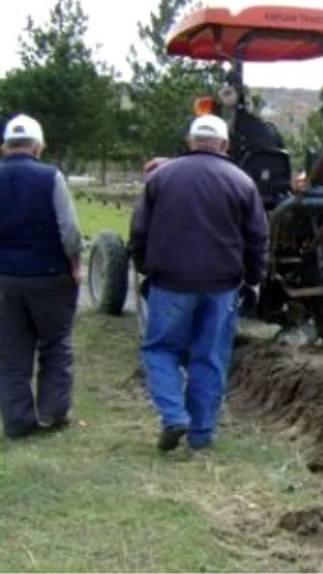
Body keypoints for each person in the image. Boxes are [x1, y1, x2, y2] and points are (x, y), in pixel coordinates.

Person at [129, 114, 268, 452]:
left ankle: (174, 415)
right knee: (210, 357)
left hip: (170, 282)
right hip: (221, 286)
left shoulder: (161, 177)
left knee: (160, 349)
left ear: (190, 141)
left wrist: (146, 267)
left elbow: (139, 231)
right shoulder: (242, 182)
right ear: (224, 145)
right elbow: (257, 237)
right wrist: (253, 279)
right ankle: (201, 434)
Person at [0, 115, 83, 440]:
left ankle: (18, 422)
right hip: (50, 274)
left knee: (11, 352)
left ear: (6, 145)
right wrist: (75, 263)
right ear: (38, 146)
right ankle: (53, 413)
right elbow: (70, 230)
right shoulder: (51, 177)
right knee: (55, 344)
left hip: (5, 277)